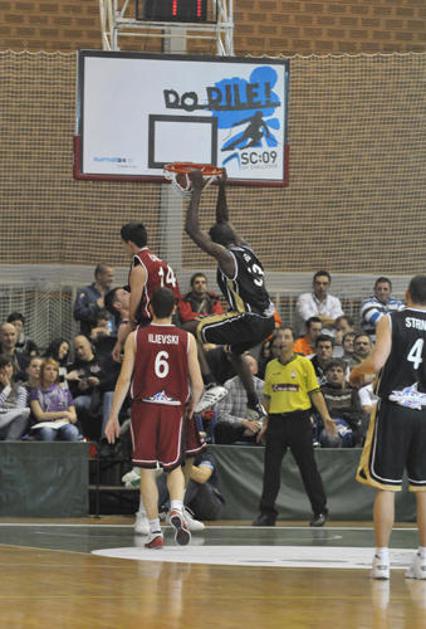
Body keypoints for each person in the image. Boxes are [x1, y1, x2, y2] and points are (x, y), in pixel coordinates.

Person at [105, 287, 204, 549]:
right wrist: (193, 404)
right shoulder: (187, 339)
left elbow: (124, 379)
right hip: (173, 408)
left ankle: (154, 532)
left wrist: (113, 416)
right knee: (174, 466)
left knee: (147, 471)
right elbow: (198, 383)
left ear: (149, 309)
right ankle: (176, 508)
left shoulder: (136, 337)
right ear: (175, 309)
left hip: (145, 408)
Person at [350, 275, 426, 580]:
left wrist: (356, 372)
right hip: (425, 411)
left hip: (395, 410)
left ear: (406, 294)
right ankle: (424, 560)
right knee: (424, 489)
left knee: (386, 486)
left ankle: (382, 560)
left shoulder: (391, 319)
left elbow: (377, 362)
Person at [185, 169, 275, 419]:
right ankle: (254, 402)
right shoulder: (246, 248)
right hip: (268, 321)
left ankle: (209, 384)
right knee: (233, 352)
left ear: (216, 244)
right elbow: (224, 220)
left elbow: (192, 230)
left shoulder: (226, 257)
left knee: (187, 330)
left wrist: (198, 190)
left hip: (248, 319)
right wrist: (222, 186)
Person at [252, 326, 337, 527]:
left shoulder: (304, 364)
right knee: (271, 469)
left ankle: (320, 511)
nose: (282, 340)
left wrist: (326, 417)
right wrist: (265, 422)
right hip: (276, 422)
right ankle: (267, 513)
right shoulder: (271, 366)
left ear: (293, 342)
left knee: (308, 468)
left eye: (287, 337)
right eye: (279, 337)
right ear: (275, 342)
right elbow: (268, 397)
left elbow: (315, 392)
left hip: (299, 421)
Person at [214, 354, 265, 445]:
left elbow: (267, 415)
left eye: (250, 365)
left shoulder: (263, 386)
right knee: (221, 427)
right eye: (243, 365)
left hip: (257, 428)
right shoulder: (229, 385)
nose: (246, 368)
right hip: (237, 428)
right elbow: (221, 415)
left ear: (256, 369)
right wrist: (244, 423)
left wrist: (256, 426)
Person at [29, 358, 81, 442]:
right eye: (48, 369)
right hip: (45, 424)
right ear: (42, 372)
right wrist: (64, 413)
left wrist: (68, 418)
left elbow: (73, 416)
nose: (52, 372)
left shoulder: (65, 391)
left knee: (72, 432)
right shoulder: (35, 392)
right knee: (47, 433)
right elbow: (40, 416)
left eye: (55, 370)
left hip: (63, 423)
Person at [319, 359, 365, 447]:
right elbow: (321, 413)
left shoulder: (352, 392)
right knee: (331, 437)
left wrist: (336, 412)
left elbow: (357, 413)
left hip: (349, 426)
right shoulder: (320, 392)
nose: (335, 374)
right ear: (326, 374)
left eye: (339, 371)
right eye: (332, 370)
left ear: (344, 374)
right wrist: (344, 412)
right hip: (328, 426)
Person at [295, 271, 344, 336]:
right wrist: (328, 319)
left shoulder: (335, 301)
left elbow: (338, 321)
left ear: (329, 285)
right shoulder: (303, 298)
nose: (321, 286)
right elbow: (310, 320)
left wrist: (318, 317)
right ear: (313, 284)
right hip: (307, 338)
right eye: (318, 283)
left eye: (325, 284)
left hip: (329, 338)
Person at [73, 264, 115, 337]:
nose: (112, 279)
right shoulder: (85, 292)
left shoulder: (113, 294)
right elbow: (77, 314)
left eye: (113, 276)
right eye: (109, 276)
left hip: (110, 337)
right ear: (99, 276)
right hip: (89, 336)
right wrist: (96, 306)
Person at [360, 277, 404, 341]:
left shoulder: (398, 303)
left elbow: (406, 319)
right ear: (374, 290)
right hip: (373, 344)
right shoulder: (366, 303)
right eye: (379, 289)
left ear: (390, 291)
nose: (382, 292)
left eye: (385, 289)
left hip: (394, 343)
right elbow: (381, 321)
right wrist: (397, 319)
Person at [0, 355, 30, 440]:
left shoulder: (21, 390)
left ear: (13, 369)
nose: (6, 370)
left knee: (23, 416)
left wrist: (3, 411)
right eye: (2, 367)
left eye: (9, 366)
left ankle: (9, 445)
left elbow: (19, 411)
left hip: (10, 427)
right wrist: (7, 388)